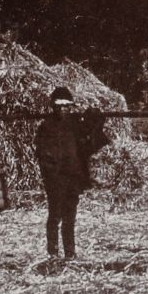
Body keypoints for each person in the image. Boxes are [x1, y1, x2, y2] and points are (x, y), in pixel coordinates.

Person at [34, 85, 110, 259]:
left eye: (66, 106)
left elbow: (91, 136)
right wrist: (51, 174)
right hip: (55, 178)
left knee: (70, 216)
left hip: (73, 177)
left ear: (70, 107)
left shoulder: (76, 125)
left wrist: (95, 117)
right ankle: (53, 252)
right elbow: (42, 154)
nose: (63, 109)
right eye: (59, 106)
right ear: (53, 106)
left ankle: (70, 252)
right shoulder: (46, 127)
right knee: (55, 215)